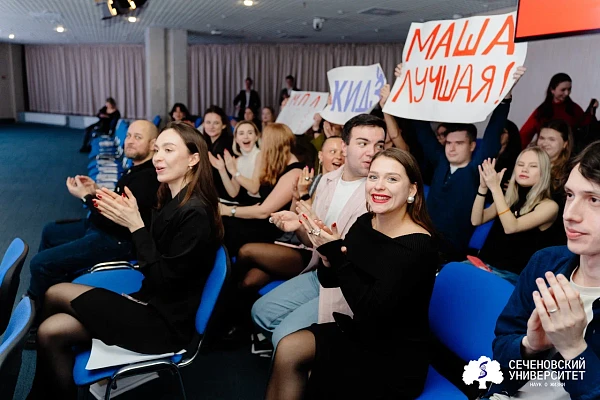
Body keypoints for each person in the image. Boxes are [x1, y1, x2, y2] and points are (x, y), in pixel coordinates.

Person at [26, 122, 223, 398]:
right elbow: (156, 263)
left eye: (168, 150)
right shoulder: (171, 197)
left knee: (50, 327)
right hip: (150, 300)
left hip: (163, 324)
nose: (158, 157)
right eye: (157, 150)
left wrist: (135, 225)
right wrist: (133, 222)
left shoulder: (195, 214)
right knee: (52, 311)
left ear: (193, 159)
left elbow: (165, 281)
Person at [265, 148, 438, 400]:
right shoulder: (365, 223)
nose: (379, 186)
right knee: (288, 348)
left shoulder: (417, 246)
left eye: (392, 179)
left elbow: (371, 310)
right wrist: (328, 258)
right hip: (363, 334)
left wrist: (337, 255)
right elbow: (330, 280)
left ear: (412, 190)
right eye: (373, 177)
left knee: (310, 371)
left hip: (394, 358)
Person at [252, 114, 386, 349]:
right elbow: (311, 241)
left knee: (284, 337)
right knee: (260, 312)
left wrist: (320, 234)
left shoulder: (380, 191)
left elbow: (360, 257)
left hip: (348, 285)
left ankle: (311, 355)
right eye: (363, 143)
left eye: (379, 145)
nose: (372, 152)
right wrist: (300, 224)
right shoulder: (327, 180)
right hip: (319, 272)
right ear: (345, 146)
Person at [486, 140, 600, 400]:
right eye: (570, 195)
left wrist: (574, 349)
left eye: (594, 199)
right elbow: (501, 347)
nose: (570, 214)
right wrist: (529, 346)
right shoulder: (545, 263)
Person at [28, 120, 160, 310]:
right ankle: (46, 286)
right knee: (50, 231)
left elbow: (112, 218)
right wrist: (96, 190)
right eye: (129, 136)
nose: (130, 141)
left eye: (138, 137)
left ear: (153, 144)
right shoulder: (137, 167)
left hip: (117, 239)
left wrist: (86, 197)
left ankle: (39, 308)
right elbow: (116, 201)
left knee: (40, 263)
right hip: (102, 227)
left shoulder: (148, 178)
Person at [405, 63, 526, 261]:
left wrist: (505, 98)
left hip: (451, 253)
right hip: (420, 241)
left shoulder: (476, 169)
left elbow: (493, 131)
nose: (451, 148)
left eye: (459, 143)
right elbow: (421, 128)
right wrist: (409, 84)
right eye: (448, 143)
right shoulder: (441, 162)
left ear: (472, 145)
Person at [235, 136, 345, 290]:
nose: (338, 157)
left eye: (342, 153)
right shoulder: (312, 180)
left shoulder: (341, 189)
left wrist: (304, 194)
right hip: (292, 243)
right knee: (248, 282)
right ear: (320, 156)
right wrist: (295, 197)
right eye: (333, 152)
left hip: (310, 252)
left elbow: (314, 224)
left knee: (246, 251)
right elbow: (294, 217)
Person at [470, 149, 558, 284]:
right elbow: (476, 220)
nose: (525, 169)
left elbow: (511, 227)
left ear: (544, 172)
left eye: (533, 166)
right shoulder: (508, 198)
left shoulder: (549, 206)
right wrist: (483, 188)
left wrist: (495, 188)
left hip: (510, 275)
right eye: (520, 164)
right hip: (483, 265)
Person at [219, 123, 303, 256]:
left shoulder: (294, 172)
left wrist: (228, 210)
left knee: (226, 226)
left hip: (274, 227)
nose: (262, 145)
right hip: (264, 220)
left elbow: (264, 211)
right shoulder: (278, 165)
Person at [519, 73, 597, 148]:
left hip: (570, 152)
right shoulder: (541, 111)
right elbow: (524, 135)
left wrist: (591, 110)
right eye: (563, 90)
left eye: (569, 89)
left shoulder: (574, 109)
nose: (567, 93)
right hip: (546, 151)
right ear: (552, 90)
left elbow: (587, 127)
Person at [537, 119, 574, 246]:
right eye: (541, 138)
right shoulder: (527, 164)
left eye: (551, 139)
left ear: (565, 144)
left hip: (550, 238)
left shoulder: (569, 173)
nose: (544, 143)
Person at [209, 120, 262, 205]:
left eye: (250, 133)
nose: (246, 137)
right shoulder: (238, 160)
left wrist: (234, 171)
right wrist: (222, 170)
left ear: (256, 137)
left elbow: (254, 189)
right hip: (249, 203)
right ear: (236, 139)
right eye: (241, 133)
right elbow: (233, 193)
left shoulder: (260, 155)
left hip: (261, 203)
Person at [202, 105, 234, 201]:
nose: (211, 126)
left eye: (216, 123)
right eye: (208, 122)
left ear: (223, 125)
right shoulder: (203, 142)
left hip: (226, 195)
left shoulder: (230, 144)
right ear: (203, 124)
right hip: (210, 194)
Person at [495, 120, 523, 190]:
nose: (498, 134)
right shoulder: (486, 154)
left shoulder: (517, 159)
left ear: (511, 134)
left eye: (503, 132)